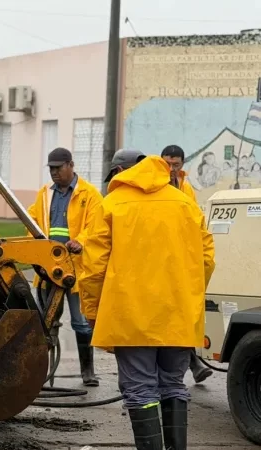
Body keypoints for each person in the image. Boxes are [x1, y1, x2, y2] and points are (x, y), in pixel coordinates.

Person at [79, 149, 215, 450]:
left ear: (120, 172)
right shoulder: (185, 204)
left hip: (131, 316)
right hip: (177, 315)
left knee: (140, 390)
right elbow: (206, 258)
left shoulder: (112, 203)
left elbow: (93, 268)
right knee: (173, 384)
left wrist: (92, 309)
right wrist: (187, 296)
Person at [27, 147, 103, 387]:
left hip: (76, 270)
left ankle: (87, 371)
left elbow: (97, 226)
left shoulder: (89, 195)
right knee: (46, 321)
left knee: (81, 322)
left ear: (71, 165)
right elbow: (32, 221)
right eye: (51, 168)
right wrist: (34, 246)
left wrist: (80, 241)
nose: (54, 173)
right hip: (49, 268)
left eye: (58, 168)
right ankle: (43, 372)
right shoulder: (45, 194)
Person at [161, 144, 214, 384]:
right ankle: (188, 365)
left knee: (182, 315)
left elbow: (195, 225)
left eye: (176, 164)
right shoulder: (153, 187)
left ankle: (189, 363)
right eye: (168, 164)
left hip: (181, 261)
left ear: (183, 164)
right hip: (161, 260)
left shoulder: (186, 189)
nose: (172, 169)